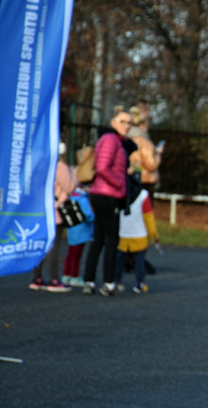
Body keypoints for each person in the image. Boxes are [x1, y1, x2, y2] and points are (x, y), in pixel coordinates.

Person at [82, 106, 131, 297]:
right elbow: (103, 167)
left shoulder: (115, 141)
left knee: (99, 239)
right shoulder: (111, 140)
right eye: (123, 121)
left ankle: (90, 280)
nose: (126, 126)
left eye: (129, 123)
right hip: (107, 195)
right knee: (112, 240)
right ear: (113, 122)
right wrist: (119, 183)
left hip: (103, 194)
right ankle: (108, 282)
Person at [29, 142, 76, 292]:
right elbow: (70, 187)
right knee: (53, 246)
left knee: (40, 244)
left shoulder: (38, 163)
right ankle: (54, 280)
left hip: (40, 208)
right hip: (55, 209)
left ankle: (37, 278)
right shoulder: (59, 166)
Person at [113, 177, 158, 294]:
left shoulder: (121, 192)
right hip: (139, 233)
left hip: (123, 233)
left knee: (120, 259)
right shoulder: (143, 195)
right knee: (139, 261)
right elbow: (148, 216)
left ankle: (116, 281)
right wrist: (153, 233)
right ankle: (139, 284)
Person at [61, 184, 94, 287]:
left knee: (70, 254)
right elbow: (88, 215)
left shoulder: (70, 196)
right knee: (77, 255)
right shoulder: (82, 199)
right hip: (81, 231)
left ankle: (66, 275)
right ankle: (75, 276)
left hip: (71, 230)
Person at [127, 105, 162, 201]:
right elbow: (151, 165)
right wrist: (158, 154)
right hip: (145, 181)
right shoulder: (145, 142)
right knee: (145, 213)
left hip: (130, 179)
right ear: (143, 125)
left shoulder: (126, 138)